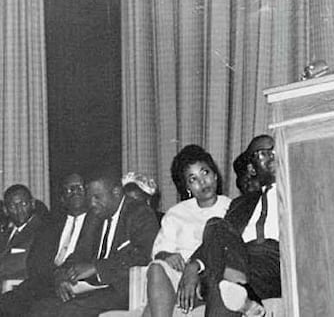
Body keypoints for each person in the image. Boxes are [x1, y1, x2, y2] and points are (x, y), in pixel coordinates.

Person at [28, 170, 159, 317]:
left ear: (116, 192)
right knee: (42, 307)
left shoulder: (139, 213)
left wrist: (96, 267)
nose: (91, 203)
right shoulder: (95, 215)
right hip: (93, 287)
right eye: (89, 198)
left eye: (97, 197)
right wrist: (61, 275)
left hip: (123, 288)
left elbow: (144, 256)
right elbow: (80, 252)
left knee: (71, 310)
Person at [178, 135, 280, 317]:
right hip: (242, 260)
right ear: (251, 168)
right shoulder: (240, 204)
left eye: (276, 151)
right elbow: (219, 240)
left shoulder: (295, 192)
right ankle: (242, 294)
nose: (275, 156)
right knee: (215, 225)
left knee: (218, 277)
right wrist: (192, 266)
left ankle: (239, 287)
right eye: (266, 153)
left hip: (273, 259)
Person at [143, 145, 231, 317]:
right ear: (187, 188)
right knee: (156, 269)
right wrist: (166, 256)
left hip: (210, 275)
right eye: (193, 179)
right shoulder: (176, 213)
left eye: (205, 173)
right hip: (178, 276)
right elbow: (158, 254)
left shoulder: (231, 208)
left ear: (215, 176)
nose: (202, 182)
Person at [0, 173, 98, 317]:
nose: (75, 192)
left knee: (42, 309)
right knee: (6, 303)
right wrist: (54, 276)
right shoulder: (51, 227)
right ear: (62, 199)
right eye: (69, 190)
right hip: (46, 282)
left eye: (79, 188)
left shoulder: (98, 224)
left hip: (76, 283)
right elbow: (36, 263)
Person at [0, 184, 46, 281]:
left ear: (33, 204)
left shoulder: (43, 231)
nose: (19, 210)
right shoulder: (4, 235)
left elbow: (36, 269)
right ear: (5, 210)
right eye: (13, 206)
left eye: (24, 204)